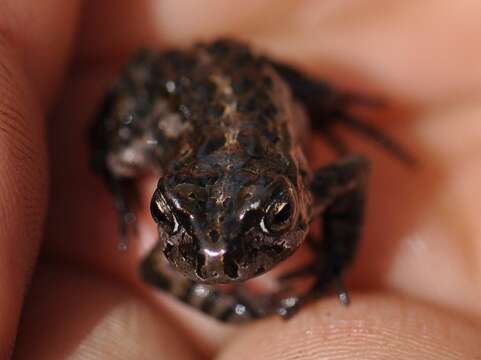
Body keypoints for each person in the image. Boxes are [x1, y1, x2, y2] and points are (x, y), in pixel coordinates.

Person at [4, 1, 481, 358]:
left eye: (274, 219)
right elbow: (156, 268)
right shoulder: (202, 222)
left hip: (247, 75)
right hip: (178, 90)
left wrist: (336, 256)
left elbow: (355, 173)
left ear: (295, 195)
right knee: (120, 153)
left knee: (312, 97)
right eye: (170, 218)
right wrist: (232, 308)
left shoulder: (302, 190)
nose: (215, 254)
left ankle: (329, 108)